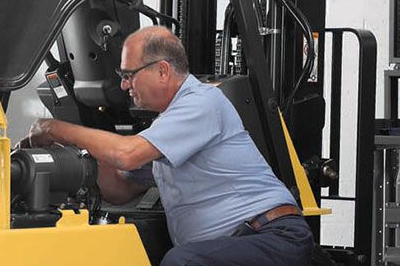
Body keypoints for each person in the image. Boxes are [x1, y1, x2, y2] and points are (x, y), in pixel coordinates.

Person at [24, 25, 313, 266]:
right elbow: (120, 188)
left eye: (128, 75)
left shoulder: (201, 103)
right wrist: (63, 161)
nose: (124, 86)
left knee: (182, 262)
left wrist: (53, 128)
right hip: (237, 242)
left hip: (272, 237)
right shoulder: (167, 128)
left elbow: (126, 154)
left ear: (162, 71)